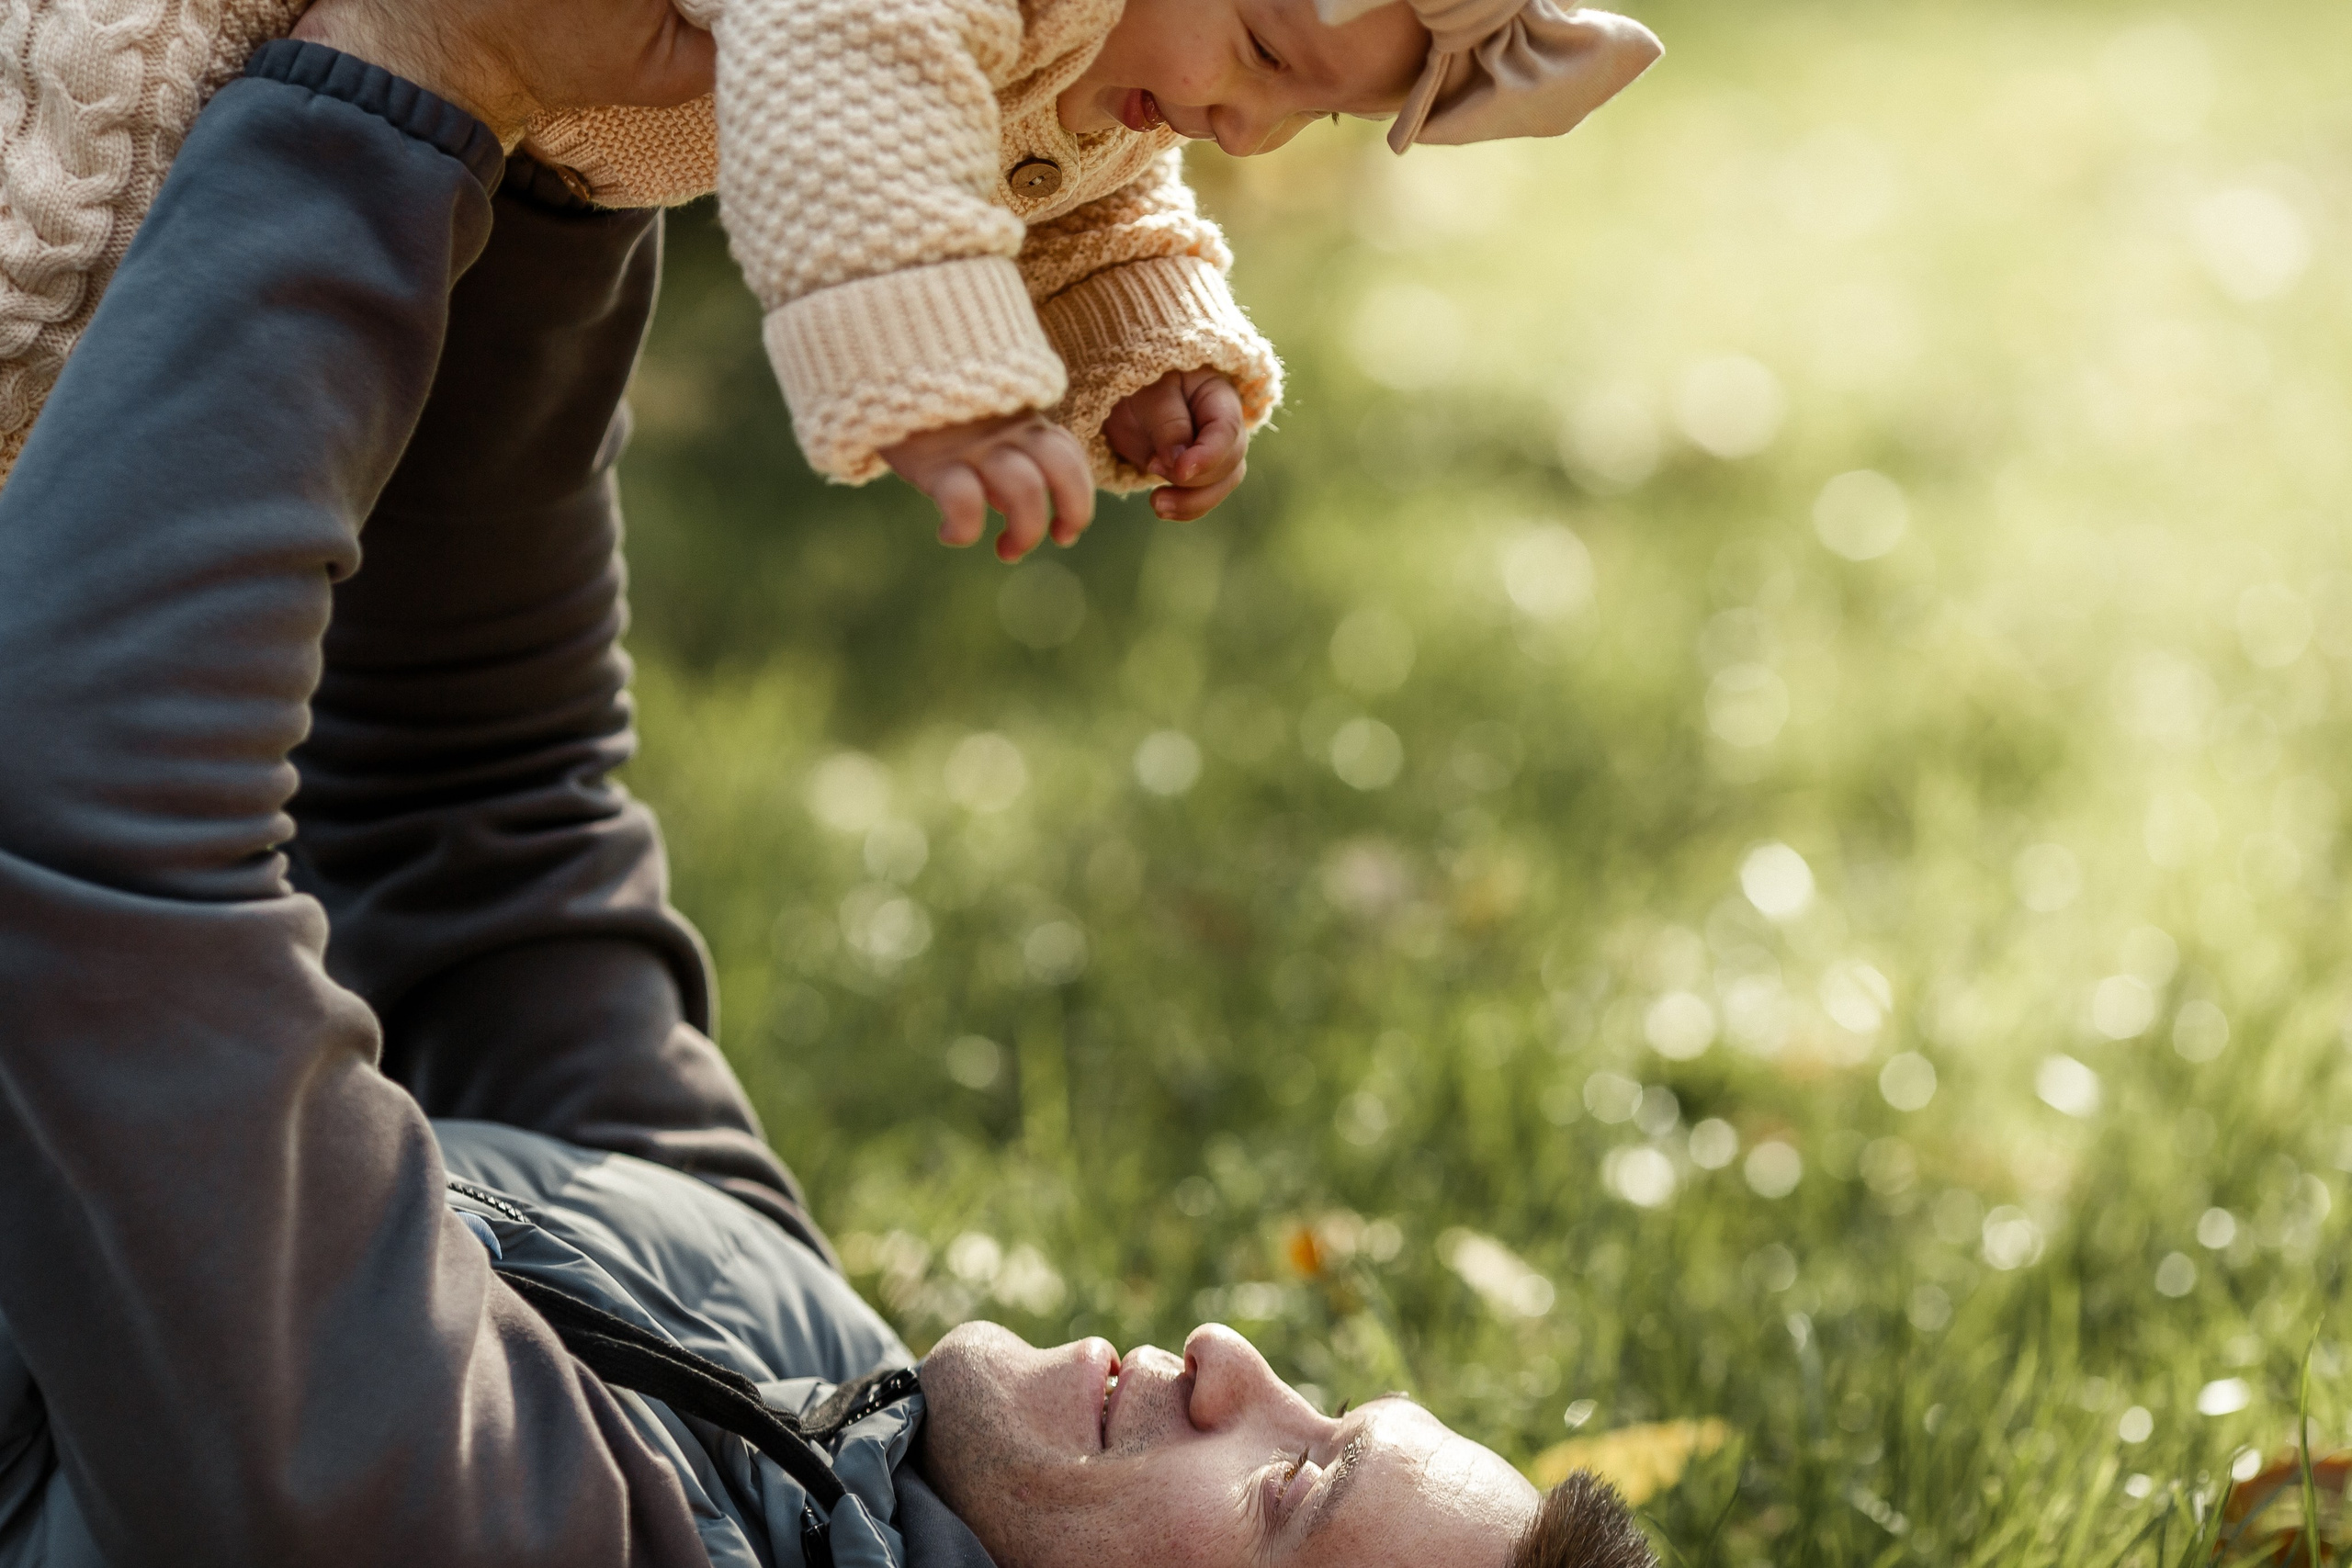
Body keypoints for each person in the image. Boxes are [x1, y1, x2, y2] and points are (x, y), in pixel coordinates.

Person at [0, 6, 1657, 1568]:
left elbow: (97, 869)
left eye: (1290, 1490)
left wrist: (404, 84)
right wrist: (565, 161)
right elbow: (483, 829)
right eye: (1326, 1405)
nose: (1236, 1356)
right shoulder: (816, 1369)